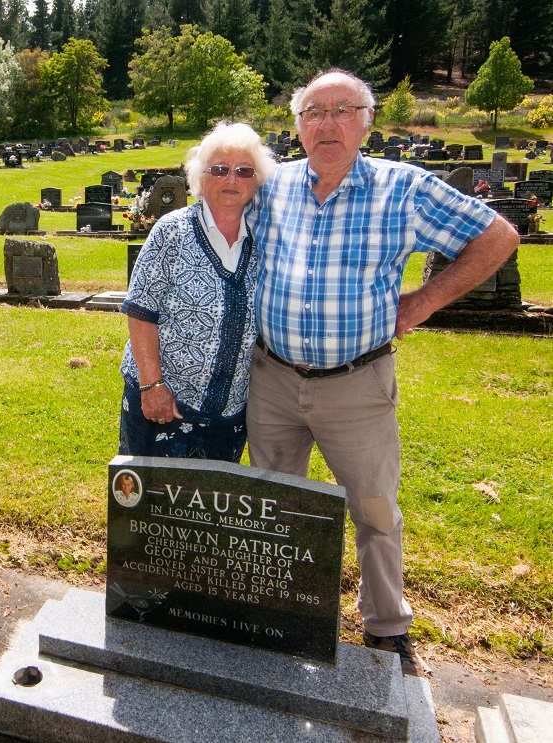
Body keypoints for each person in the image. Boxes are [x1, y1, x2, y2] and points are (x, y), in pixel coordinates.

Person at [247, 69, 519, 675]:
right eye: (313, 112)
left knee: (374, 510)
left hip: (357, 385)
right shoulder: (273, 186)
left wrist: (424, 300)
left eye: (344, 110)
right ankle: (280, 608)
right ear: (297, 127)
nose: (327, 124)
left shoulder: (404, 189)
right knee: (275, 502)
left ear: (366, 122)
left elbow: (498, 236)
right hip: (272, 379)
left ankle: (386, 625)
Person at [119, 122, 276, 462]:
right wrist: (151, 386)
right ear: (200, 179)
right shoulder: (172, 232)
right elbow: (140, 310)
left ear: (257, 181)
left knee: (212, 509)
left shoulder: (264, 239)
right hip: (163, 405)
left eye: (244, 171)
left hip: (229, 415)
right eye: (219, 169)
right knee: (150, 504)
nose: (231, 179)